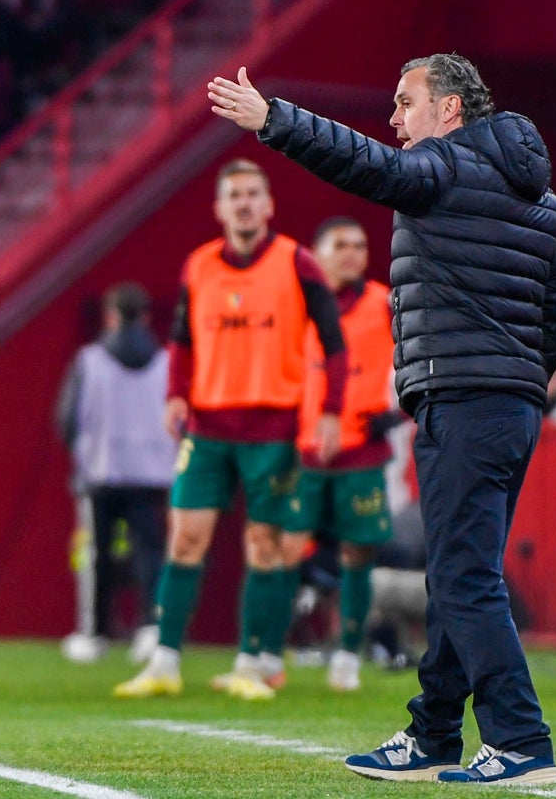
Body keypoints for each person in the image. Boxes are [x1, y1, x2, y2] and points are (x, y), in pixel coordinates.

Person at [208, 53, 556, 784]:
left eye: (405, 103)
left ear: (449, 111)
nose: (393, 119)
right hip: (508, 408)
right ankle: (434, 733)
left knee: (464, 578)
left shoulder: (442, 167)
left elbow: (365, 164)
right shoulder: (544, 200)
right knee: (456, 576)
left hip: (465, 404)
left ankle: (522, 740)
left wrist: (275, 120)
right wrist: (520, 378)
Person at [113, 158, 348, 701]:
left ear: (268, 205)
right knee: (185, 539)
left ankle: (250, 663)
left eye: (252, 194)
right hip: (208, 427)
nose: (243, 203)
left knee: (264, 544)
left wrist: (331, 411)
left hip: (273, 427)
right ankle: (165, 662)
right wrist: (176, 394)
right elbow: (182, 340)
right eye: (233, 195)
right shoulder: (199, 266)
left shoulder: (298, 262)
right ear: (219, 208)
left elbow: (334, 346)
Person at [256, 215, 399, 693]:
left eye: (360, 244)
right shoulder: (295, 306)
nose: (353, 253)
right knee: (286, 550)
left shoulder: (383, 302)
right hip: (305, 453)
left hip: (361, 450)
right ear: (317, 254)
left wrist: (398, 411)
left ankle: (347, 654)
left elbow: (415, 355)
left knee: (358, 552)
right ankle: (268, 654)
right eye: (341, 244)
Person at [55, 281, 176, 664]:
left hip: (100, 471)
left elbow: (66, 419)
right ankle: (150, 627)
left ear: (110, 316)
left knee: (96, 554)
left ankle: (94, 632)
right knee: (150, 553)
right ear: (145, 316)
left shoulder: (89, 360)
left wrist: (80, 453)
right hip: (152, 472)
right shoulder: (166, 361)